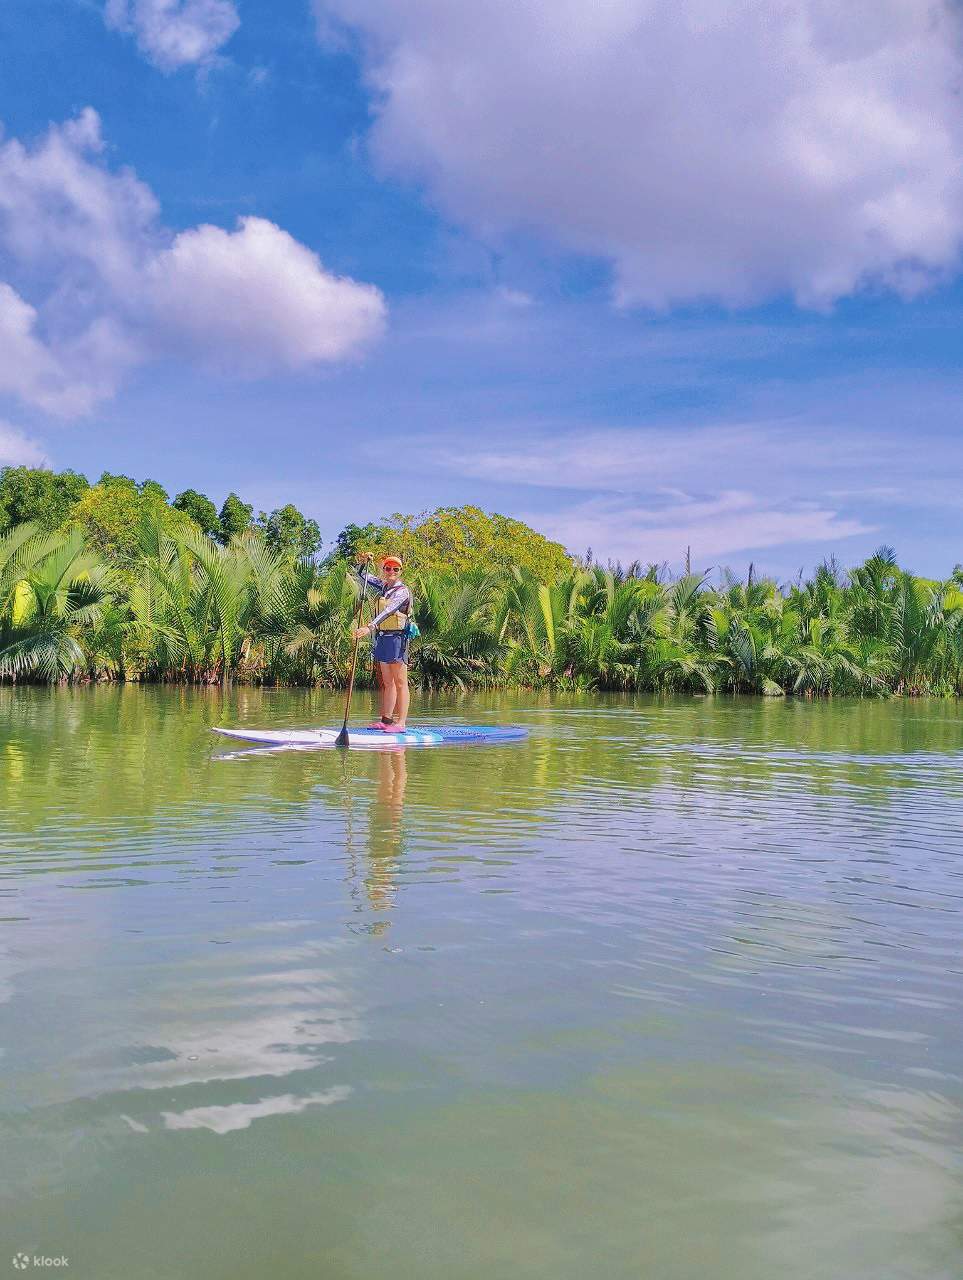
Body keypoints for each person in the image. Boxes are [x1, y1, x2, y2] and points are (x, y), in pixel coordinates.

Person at [352, 554, 414, 732]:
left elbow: (388, 610)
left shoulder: (402, 591)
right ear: (384, 570)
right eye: (388, 568)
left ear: (400, 571)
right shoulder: (383, 586)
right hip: (383, 637)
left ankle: (401, 724)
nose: (391, 571)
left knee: (400, 682)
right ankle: (386, 721)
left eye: (396, 569)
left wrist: (369, 627)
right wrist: (363, 563)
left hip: (397, 638)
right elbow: (361, 575)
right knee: (387, 682)